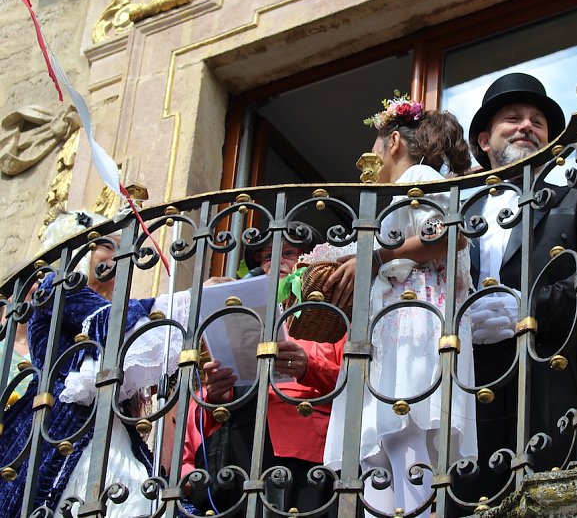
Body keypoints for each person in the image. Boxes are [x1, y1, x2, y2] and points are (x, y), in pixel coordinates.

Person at [459, 73, 577, 503]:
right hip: (465, 382)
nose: (526, 127)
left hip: (544, 375)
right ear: (483, 140)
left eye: (537, 121)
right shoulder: (460, 209)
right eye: (512, 119)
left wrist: (527, 307)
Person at [322, 95, 477, 518]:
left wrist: (377, 257)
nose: (371, 156)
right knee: (379, 445)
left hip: (416, 321)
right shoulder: (391, 197)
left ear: (393, 141)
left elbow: (449, 236)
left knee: (402, 437)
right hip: (394, 326)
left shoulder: (421, 175)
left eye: (374, 146)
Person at [0, 210, 199, 517]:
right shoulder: (58, 284)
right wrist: (193, 300)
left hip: (103, 432)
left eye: (122, 249)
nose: (119, 256)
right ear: (77, 247)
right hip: (64, 431)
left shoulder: (107, 307)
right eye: (108, 245)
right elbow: (119, 323)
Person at [183, 222, 343, 517]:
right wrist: (215, 394)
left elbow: (354, 385)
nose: (278, 262)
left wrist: (307, 367)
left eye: (289, 252)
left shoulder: (330, 315)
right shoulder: (235, 312)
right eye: (268, 256)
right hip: (234, 456)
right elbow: (195, 412)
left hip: (303, 456)